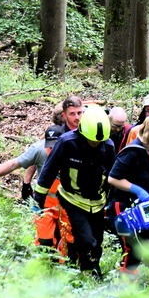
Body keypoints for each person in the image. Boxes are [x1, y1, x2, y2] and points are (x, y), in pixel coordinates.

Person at [33, 106, 116, 279]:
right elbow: (49, 170)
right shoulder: (67, 143)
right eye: (92, 141)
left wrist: (112, 202)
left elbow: (111, 176)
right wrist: (39, 196)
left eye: (98, 142)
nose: (95, 145)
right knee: (86, 240)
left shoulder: (107, 146)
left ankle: (89, 267)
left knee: (97, 242)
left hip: (98, 201)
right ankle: (89, 271)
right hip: (73, 199)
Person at [0, 125, 73, 256]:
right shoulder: (38, 150)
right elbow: (13, 164)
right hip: (45, 205)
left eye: (55, 147)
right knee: (45, 243)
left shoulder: (74, 150)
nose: (51, 150)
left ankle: (69, 269)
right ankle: (48, 270)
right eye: (49, 146)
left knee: (70, 243)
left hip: (68, 204)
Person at [107, 116, 149, 273]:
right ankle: (123, 290)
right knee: (133, 252)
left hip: (143, 208)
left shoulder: (146, 151)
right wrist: (138, 190)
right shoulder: (131, 152)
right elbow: (112, 178)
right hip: (123, 207)